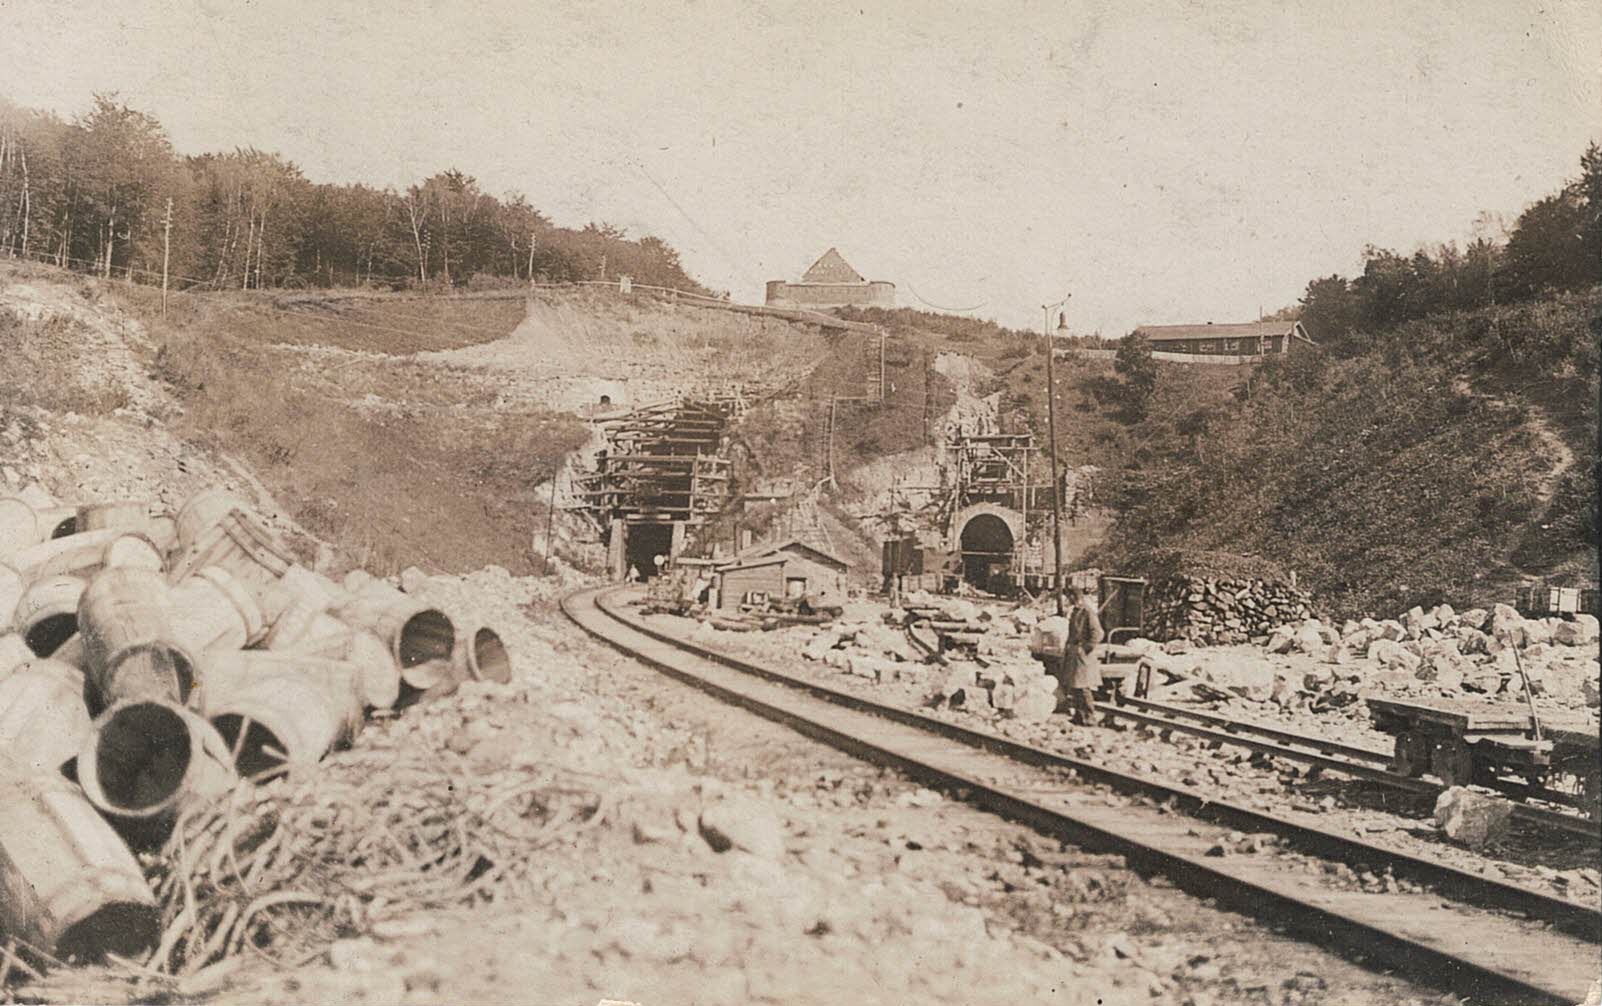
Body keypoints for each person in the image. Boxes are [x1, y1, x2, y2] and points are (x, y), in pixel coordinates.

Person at [1061, 584, 1104, 725]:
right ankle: (1079, 716)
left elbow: (1097, 633)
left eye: (1069, 597)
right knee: (1074, 686)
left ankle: (1090, 717)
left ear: (1075, 596)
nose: (1068, 600)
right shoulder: (1076, 611)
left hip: (1082, 654)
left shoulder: (1087, 612)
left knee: (1083, 686)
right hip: (1074, 653)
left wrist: (1085, 649)